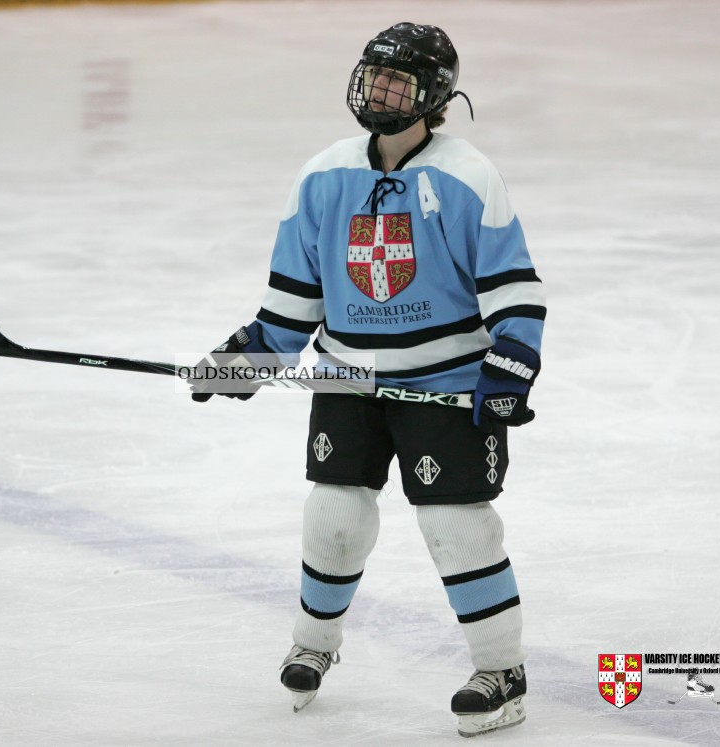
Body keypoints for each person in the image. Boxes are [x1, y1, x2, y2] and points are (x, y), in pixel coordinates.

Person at [190, 21, 545, 737]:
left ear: (434, 94)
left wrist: (510, 361)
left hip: (445, 381)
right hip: (348, 377)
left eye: (398, 81)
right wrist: (251, 355)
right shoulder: (324, 174)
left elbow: (515, 293)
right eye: (374, 76)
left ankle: (502, 671)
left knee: (456, 524)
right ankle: (312, 646)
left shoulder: (466, 175)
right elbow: (293, 302)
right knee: (334, 515)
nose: (380, 90)